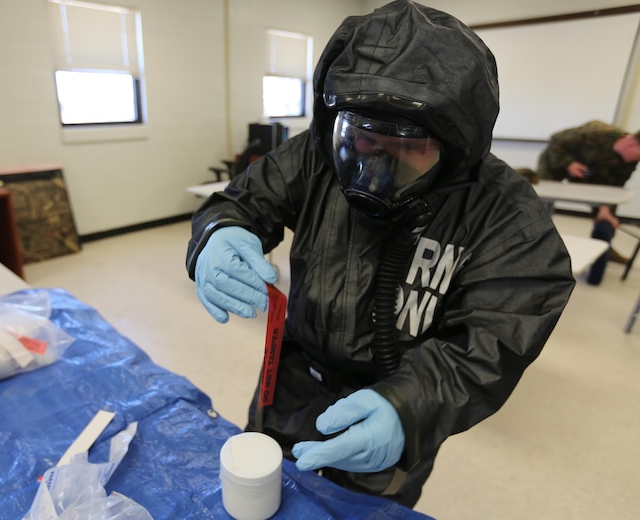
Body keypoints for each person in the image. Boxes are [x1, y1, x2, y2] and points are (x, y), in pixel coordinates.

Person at [186, 0, 575, 508]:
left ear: (455, 146)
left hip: (398, 392)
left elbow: (501, 329)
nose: (376, 170)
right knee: (266, 486)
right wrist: (219, 230)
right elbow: (243, 200)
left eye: (410, 149)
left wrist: (411, 408)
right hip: (295, 373)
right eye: (365, 141)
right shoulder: (315, 153)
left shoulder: (505, 215)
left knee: (368, 506)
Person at [537, 120, 640, 285]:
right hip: (557, 161)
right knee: (539, 206)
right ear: (631, 145)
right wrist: (568, 163)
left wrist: (605, 211)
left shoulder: (630, 160)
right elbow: (555, 140)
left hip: (591, 173)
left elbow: (614, 188)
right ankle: (534, 246)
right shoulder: (597, 132)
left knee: (606, 218)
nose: (638, 161)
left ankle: (603, 250)